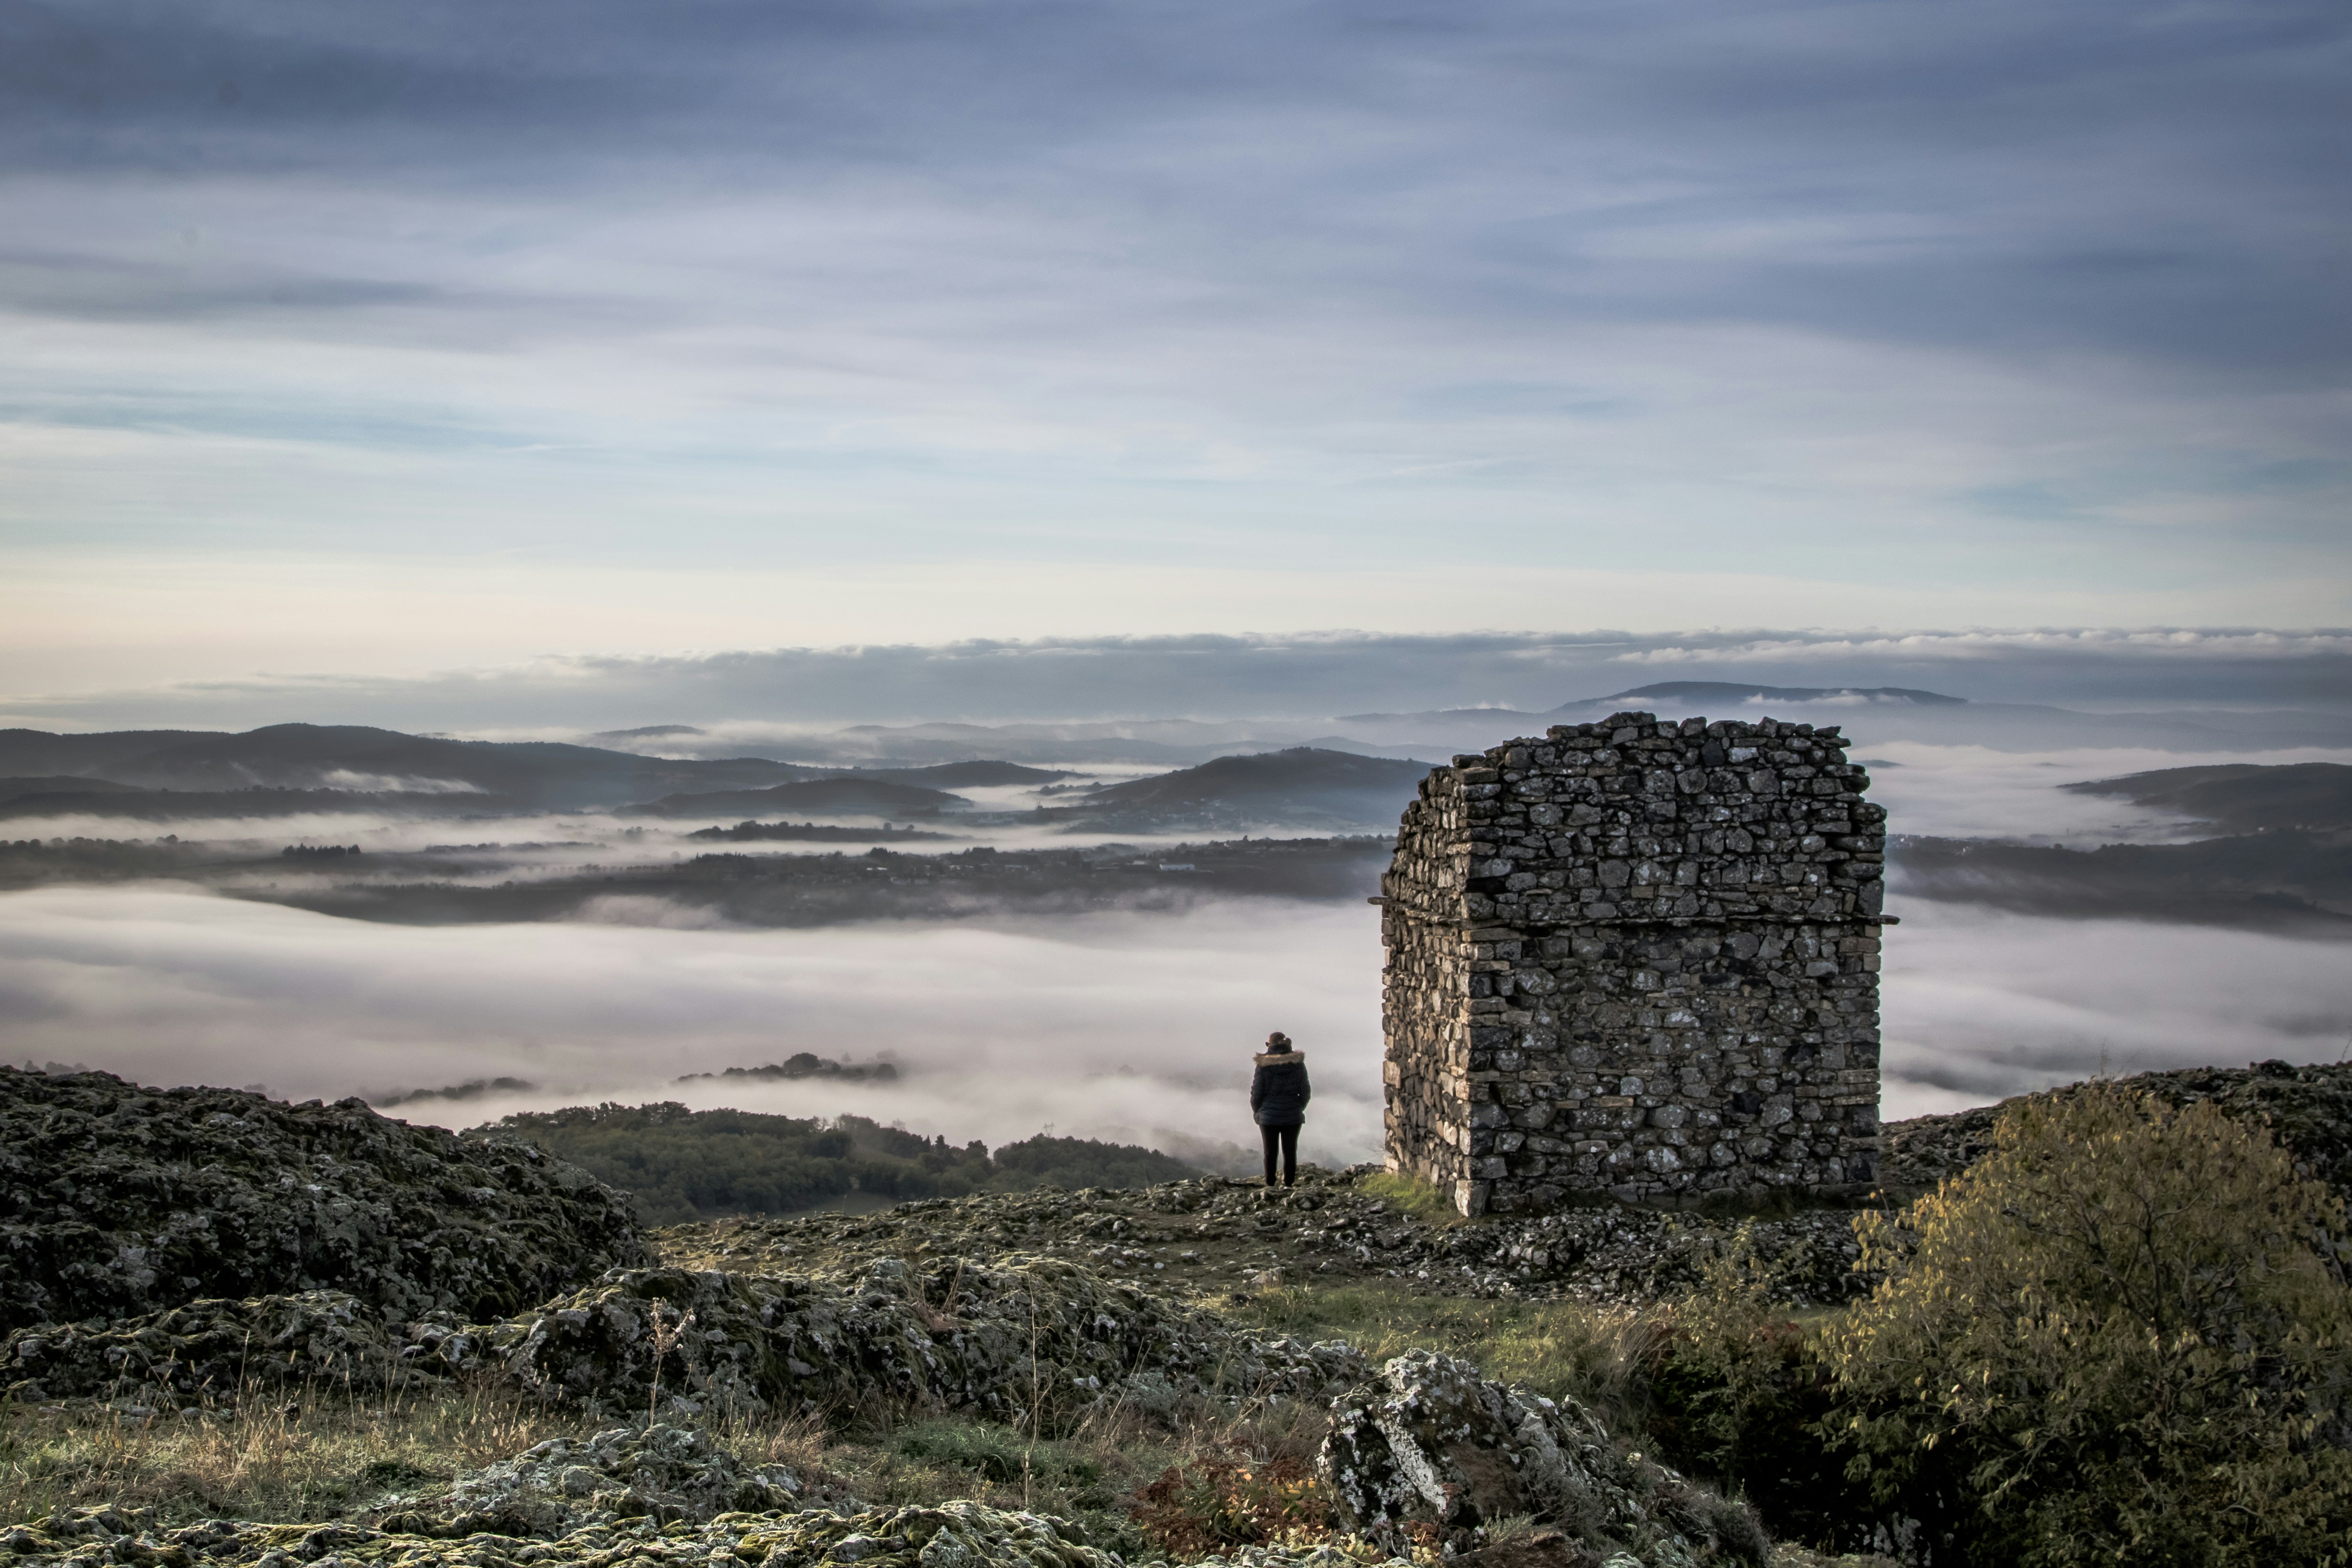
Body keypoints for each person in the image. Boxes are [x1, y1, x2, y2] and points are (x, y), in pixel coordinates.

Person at [1249, 1031, 1311, 1188]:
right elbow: (1305, 1091)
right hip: (1293, 1115)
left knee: (1270, 1152)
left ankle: (1270, 1185)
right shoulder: (1298, 1063)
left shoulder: (1263, 1065)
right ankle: (1289, 1183)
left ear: (1269, 1045)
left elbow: (1257, 1092)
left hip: (1268, 1116)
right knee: (1290, 1151)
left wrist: (1258, 1112)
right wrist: (1298, 1107)